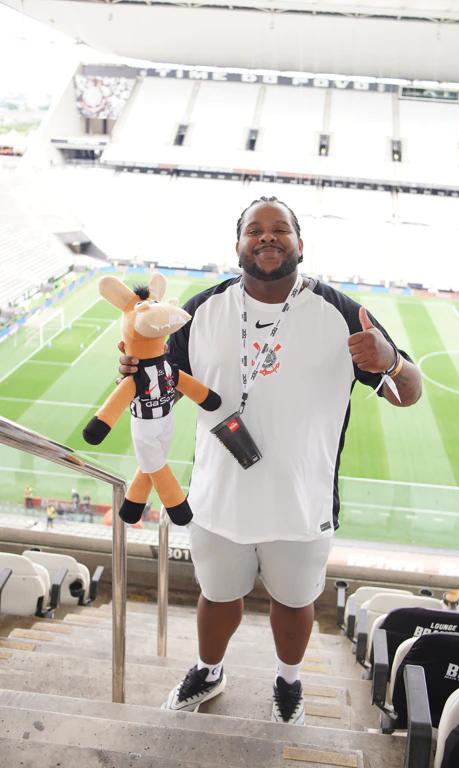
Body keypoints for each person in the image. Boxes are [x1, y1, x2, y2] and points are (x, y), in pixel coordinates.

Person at [118, 196, 422, 724]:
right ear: (237, 244)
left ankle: (289, 681)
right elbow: (159, 382)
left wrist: (391, 360)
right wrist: (135, 367)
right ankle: (209, 670)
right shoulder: (200, 310)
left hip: (302, 503)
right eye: (254, 229)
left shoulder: (341, 313)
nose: (267, 236)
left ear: (301, 243)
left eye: (280, 228)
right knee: (217, 595)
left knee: (295, 602)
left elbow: (409, 392)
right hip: (217, 498)